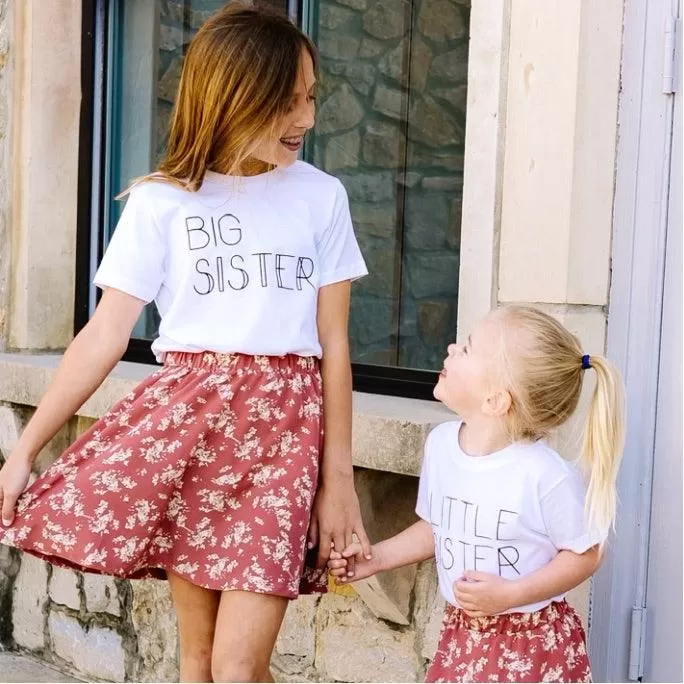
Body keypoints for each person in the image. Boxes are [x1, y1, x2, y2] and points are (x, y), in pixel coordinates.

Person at [0, 4, 371, 682]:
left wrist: (337, 480)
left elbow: (334, 345)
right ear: (233, 98)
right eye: (287, 103)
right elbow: (105, 334)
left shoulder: (321, 198)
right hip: (191, 436)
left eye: (312, 97)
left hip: (284, 440)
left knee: (236, 667)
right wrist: (25, 449)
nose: (307, 119)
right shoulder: (161, 202)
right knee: (197, 661)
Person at [328, 304, 625, 683]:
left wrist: (512, 594)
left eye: (467, 349)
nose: (451, 348)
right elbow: (439, 525)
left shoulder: (543, 474)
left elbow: (587, 553)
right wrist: (378, 557)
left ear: (496, 400)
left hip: (532, 646)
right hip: (463, 638)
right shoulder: (442, 447)